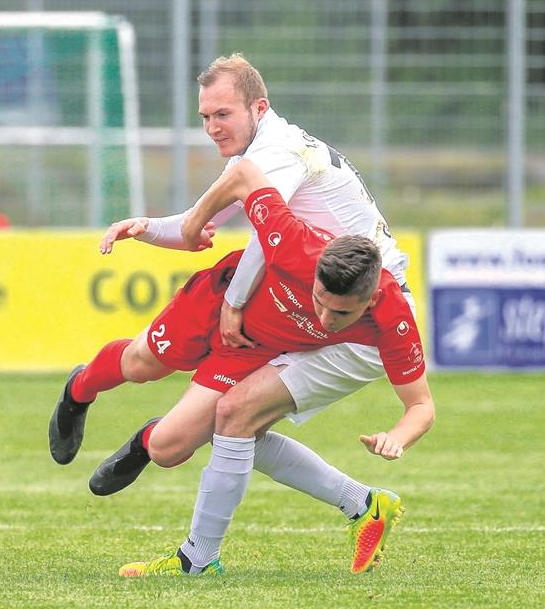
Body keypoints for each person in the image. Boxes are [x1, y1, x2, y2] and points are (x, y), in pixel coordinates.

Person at [48, 53, 421, 570]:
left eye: (221, 114)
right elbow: (206, 222)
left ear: (258, 108)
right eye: (204, 117)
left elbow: (268, 242)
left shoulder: (278, 155)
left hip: (353, 315)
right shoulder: (262, 154)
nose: (211, 127)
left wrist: (236, 304)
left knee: (221, 421)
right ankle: (363, 504)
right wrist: (147, 227)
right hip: (296, 296)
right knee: (163, 379)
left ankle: (198, 557)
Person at [104, 159, 434, 578]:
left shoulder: (392, 319)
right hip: (301, 329)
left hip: (356, 349)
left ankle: (197, 560)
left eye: (341, 311)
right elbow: (243, 175)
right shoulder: (292, 243)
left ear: (368, 302)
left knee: (234, 413)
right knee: (223, 432)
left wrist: (397, 438)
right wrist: (190, 227)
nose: (326, 317)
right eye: (320, 300)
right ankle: (366, 505)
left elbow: (421, 405)